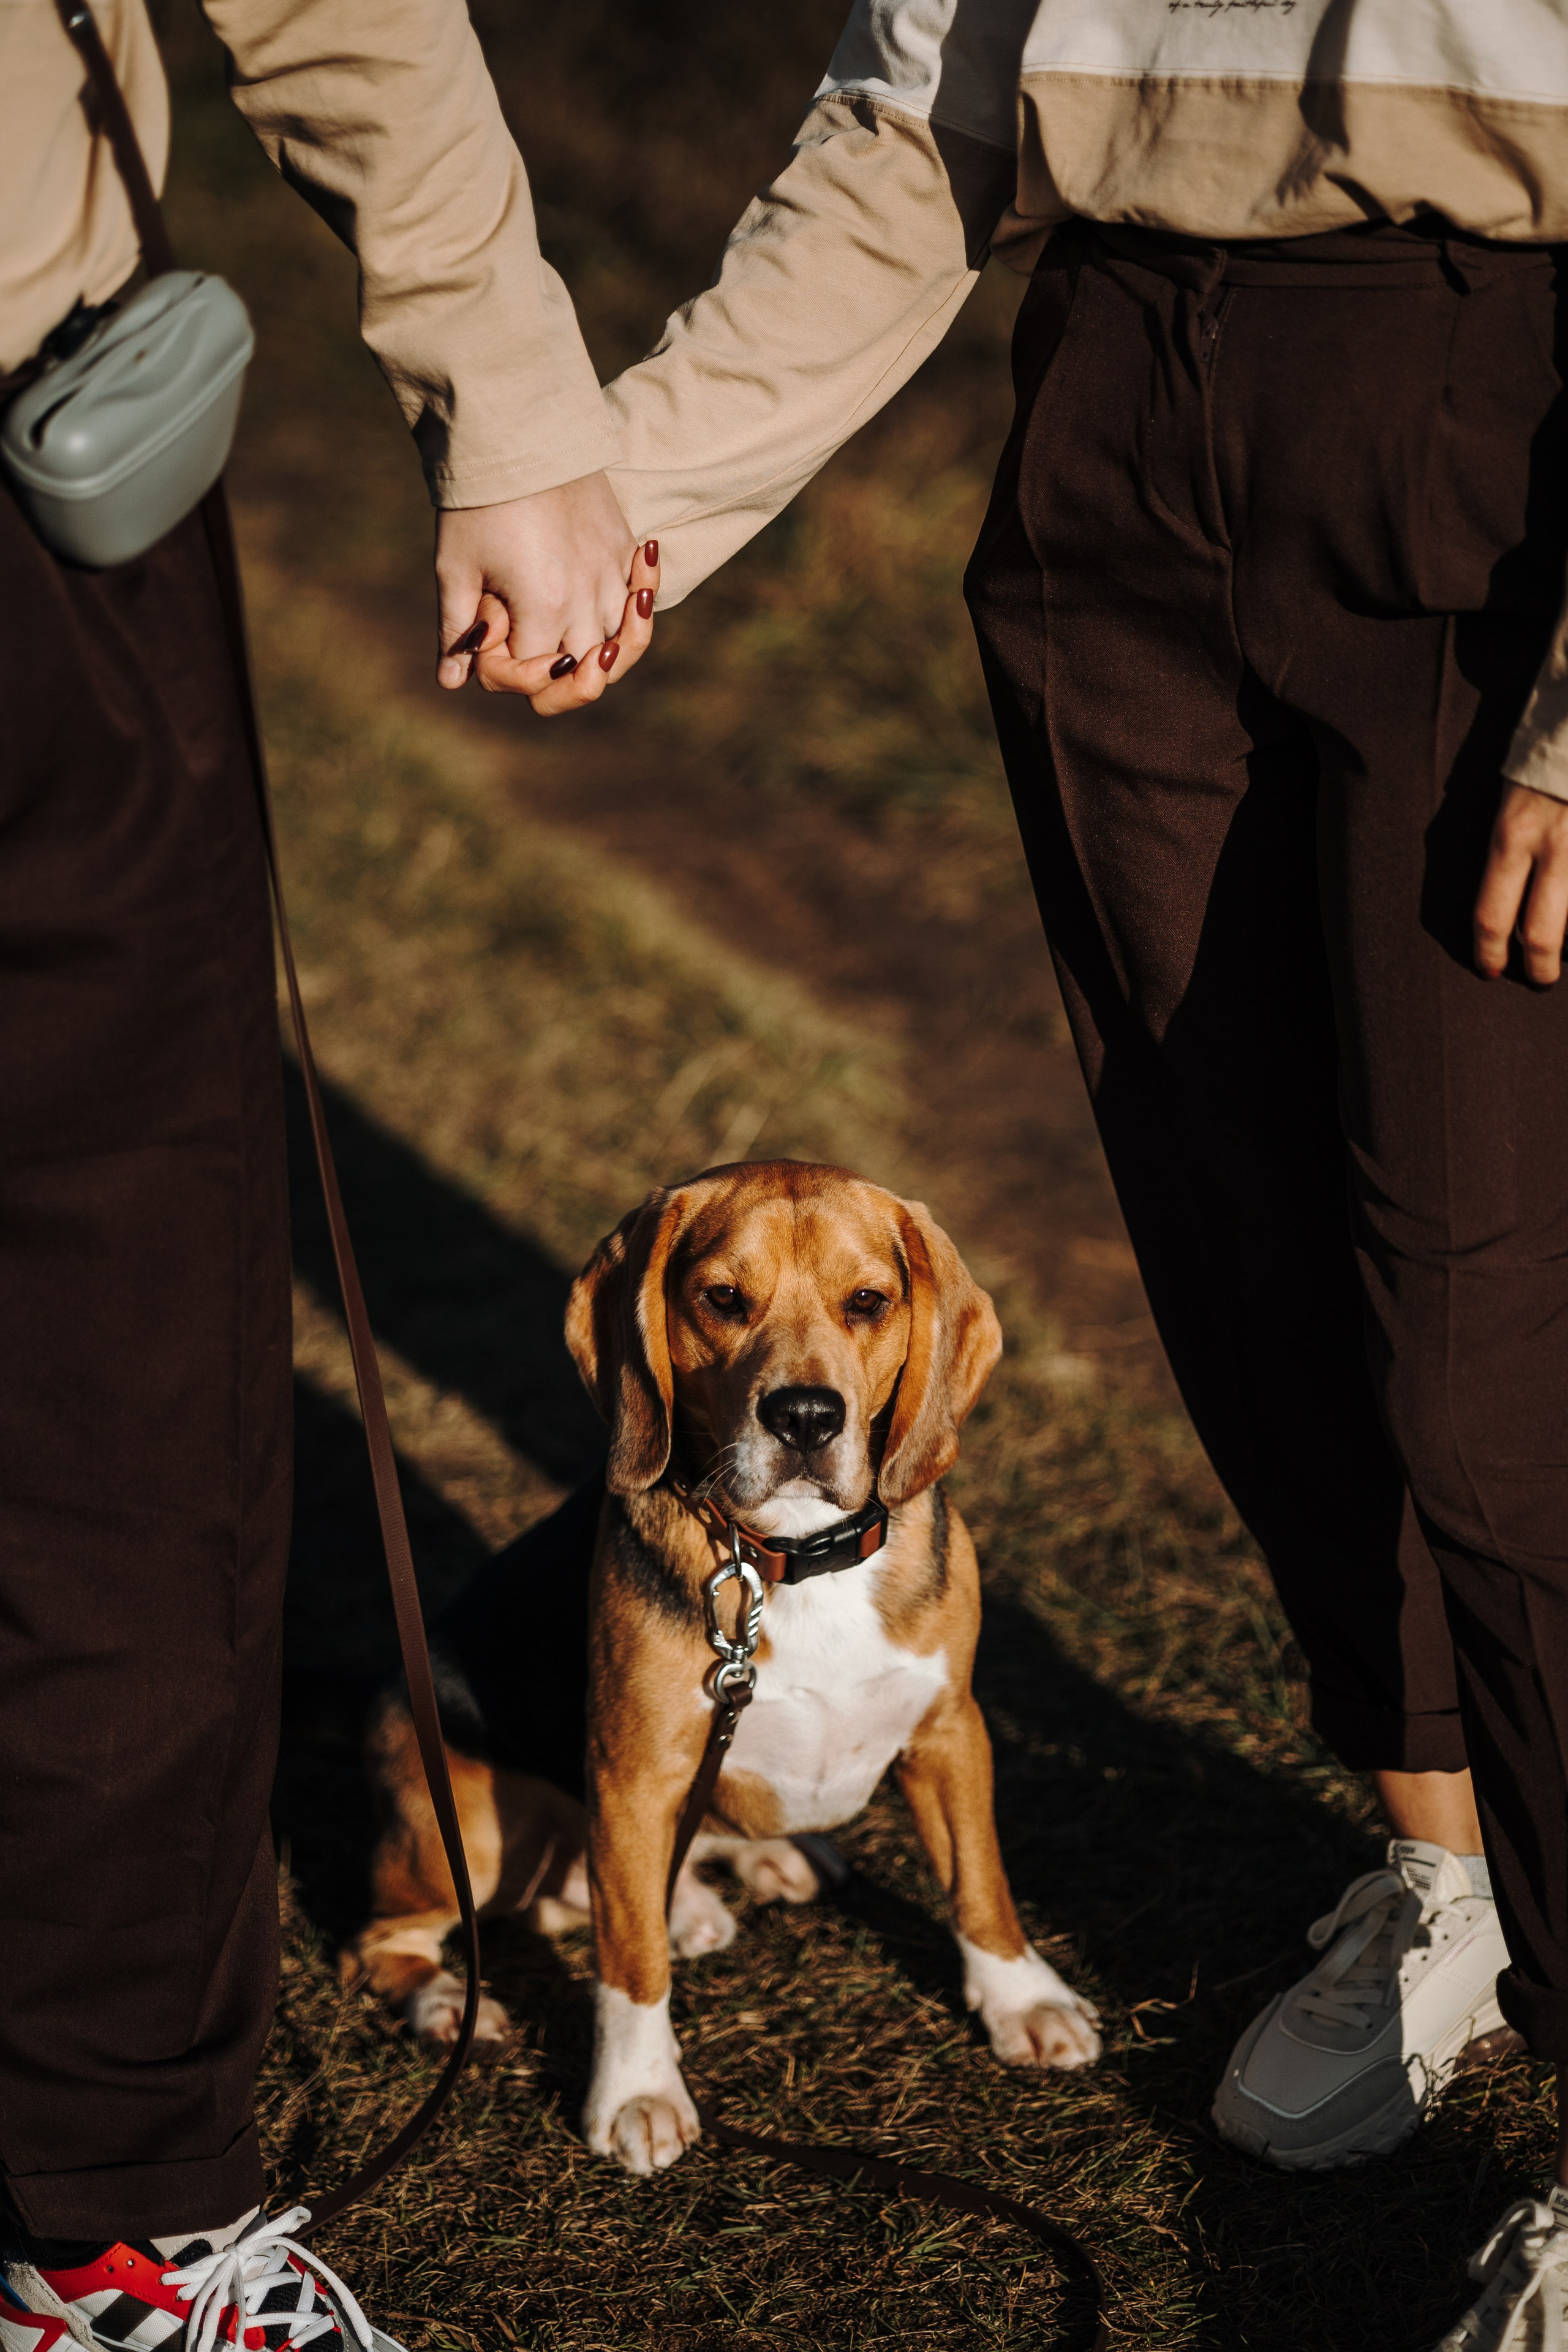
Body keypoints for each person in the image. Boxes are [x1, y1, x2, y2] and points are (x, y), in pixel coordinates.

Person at [522, 4, 1568, 2342]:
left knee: (1499, 1345)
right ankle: (1441, 1872)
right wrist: (627, 496)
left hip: (1499, 405)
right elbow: (918, 118)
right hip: (1110, 406)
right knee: (1248, 1251)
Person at [0, 0, 650, 2341]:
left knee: (125, 1379)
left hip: (42, 474)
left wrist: (505, 374)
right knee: (123, 1396)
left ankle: (106, 2214)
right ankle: (107, 2229)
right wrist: (502, 377)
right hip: (37, 492)